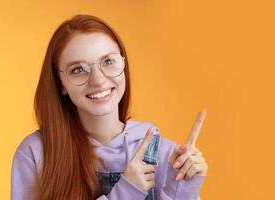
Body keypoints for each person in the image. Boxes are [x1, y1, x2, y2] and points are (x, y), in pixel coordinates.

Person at [11, 14, 208, 200]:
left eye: (108, 61)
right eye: (78, 69)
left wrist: (183, 189)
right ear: (60, 83)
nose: (97, 80)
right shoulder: (37, 153)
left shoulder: (166, 154)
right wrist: (126, 191)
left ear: (124, 65)